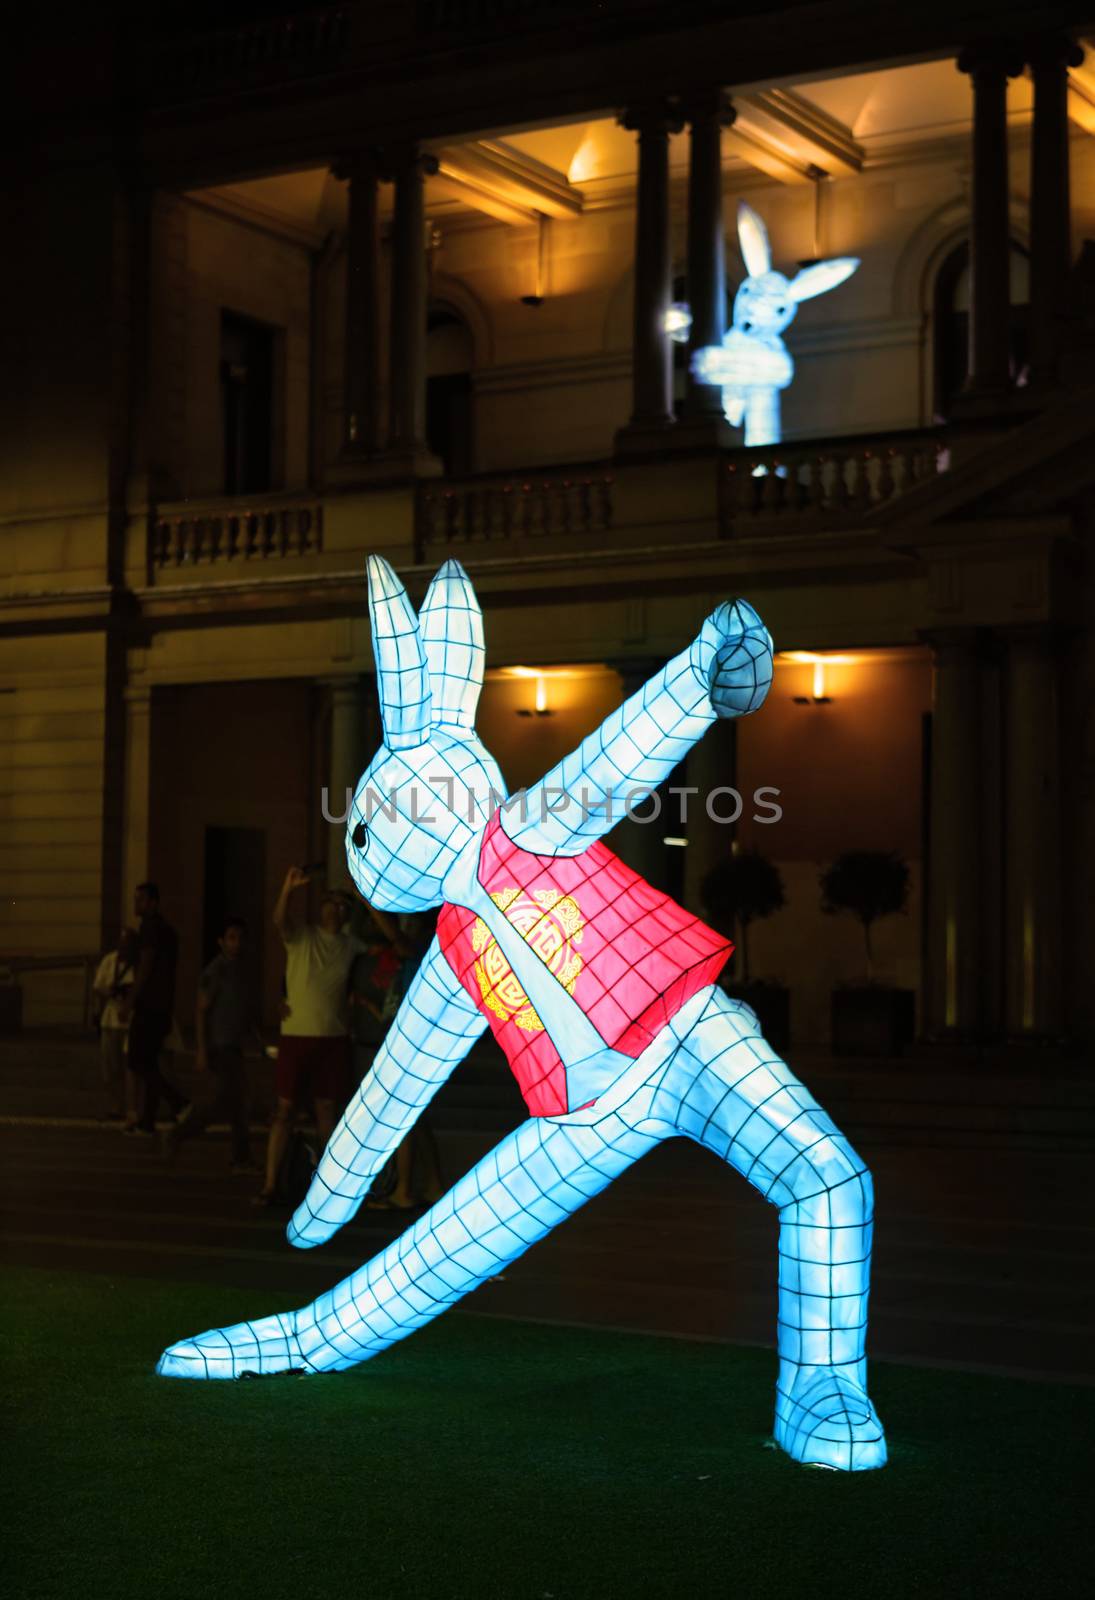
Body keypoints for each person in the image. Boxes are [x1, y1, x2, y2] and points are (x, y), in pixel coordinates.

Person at [255, 867, 364, 1206]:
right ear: (321, 909)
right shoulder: (303, 936)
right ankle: (271, 1184)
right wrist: (287, 888)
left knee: (327, 1112)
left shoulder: (351, 945)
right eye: (330, 903)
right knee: (285, 1109)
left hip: (332, 1037)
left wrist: (363, 899)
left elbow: (391, 946)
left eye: (342, 905)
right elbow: (279, 922)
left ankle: (327, 1188)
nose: (335, 909)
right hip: (297, 1035)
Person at [163, 917, 262, 1171]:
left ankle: (236, 1154)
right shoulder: (216, 971)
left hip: (234, 1045)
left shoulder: (241, 970)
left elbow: (244, 1012)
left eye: (240, 937)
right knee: (232, 1102)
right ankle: (183, 1134)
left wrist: (257, 1040)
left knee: (233, 1102)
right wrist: (201, 1050)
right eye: (231, 938)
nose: (237, 943)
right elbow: (201, 1010)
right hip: (220, 1045)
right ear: (221, 942)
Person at [124, 882, 187, 1136]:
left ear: (153, 903)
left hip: (149, 1006)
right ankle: (147, 1121)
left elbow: (146, 967)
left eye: (140, 900)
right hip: (162, 1006)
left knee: (137, 1060)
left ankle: (179, 1103)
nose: (136, 904)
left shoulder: (150, 929)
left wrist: (130, 1000)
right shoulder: (168, 931)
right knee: (149, 1062)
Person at [92, 927, 137, 1123]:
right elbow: (98, 987)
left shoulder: (139, 963)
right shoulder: (110, 961)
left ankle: (131, 1108)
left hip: (130, 1021)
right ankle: (114, 1106)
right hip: (111, 1018)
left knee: (130, 1069)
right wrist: (111, 992)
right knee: (110, 1067)